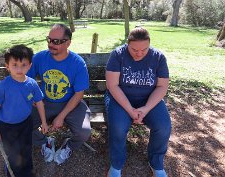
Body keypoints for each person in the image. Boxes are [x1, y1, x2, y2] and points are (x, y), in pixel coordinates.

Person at [105, 27, 171, 177]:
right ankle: (116, 165)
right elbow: (112, 85)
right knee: (118, 127)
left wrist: (146, 108)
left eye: (144, 50)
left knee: (163, 126)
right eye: (134, 50)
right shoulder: (117, 55)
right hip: (120, 98)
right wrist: (130, 110)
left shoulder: (159, 57)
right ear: (127, 44)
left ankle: (156, 164)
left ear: (149, 45)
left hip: (149, 99)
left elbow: (162, 87)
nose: (139, 54)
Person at [27, 23, 91, 165]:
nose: (51, 44)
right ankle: (46, 142)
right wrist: (31, 96)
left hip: (71, 104)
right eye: (49, 39)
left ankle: (69, 145)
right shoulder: (39, 58)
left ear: (67, 43)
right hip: (45, 102)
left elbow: (79, 94)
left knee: (84, 132)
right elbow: (26, 81)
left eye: (56, 41)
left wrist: (61, 117)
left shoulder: (78, 63)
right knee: (20, 125)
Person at [0, 44, 48, 177]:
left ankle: (28, 173)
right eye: (15, 64)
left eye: (24, 65)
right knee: (13, 155)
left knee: (26, 150)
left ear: (29, 65)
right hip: (7, 127)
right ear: (7, 66)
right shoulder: (3, 86)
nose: (19, 69)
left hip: (26, 123)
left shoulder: (32, 83)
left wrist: (44, 122)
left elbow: (39, 102)